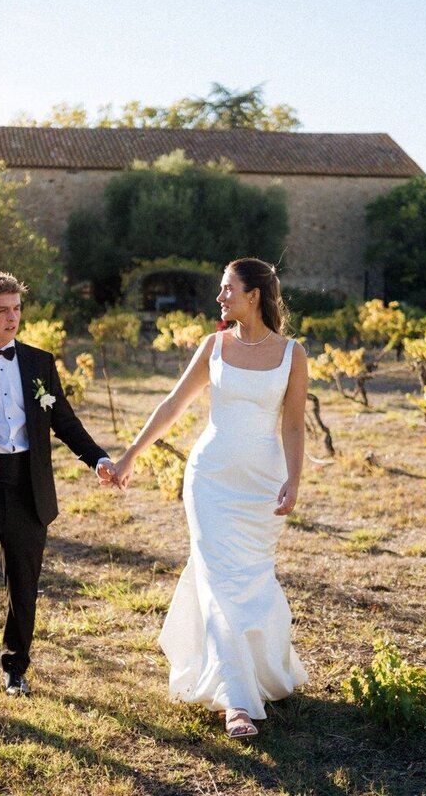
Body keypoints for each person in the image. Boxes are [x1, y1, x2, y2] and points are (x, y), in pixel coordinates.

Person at [113, 258, 309, 739]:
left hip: (263, 484)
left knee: (250, 578)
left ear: (254, 295)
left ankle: (260, 673)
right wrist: (131, 454)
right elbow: (173, 405)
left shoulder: (291, 354)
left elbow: (293, 424)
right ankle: (237, 702)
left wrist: (295, 481)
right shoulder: (213, 346)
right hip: (210, 480)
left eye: (227, 289)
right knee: (220, 581)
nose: (219, 298)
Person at [0, 271, 116, 729]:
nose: (12, 319)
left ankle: (15, 668)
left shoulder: (39, 362)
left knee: (24, 590)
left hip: (29, 490)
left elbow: (64, 422)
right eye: (1, 311)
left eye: (16, 309)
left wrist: (99, 460)